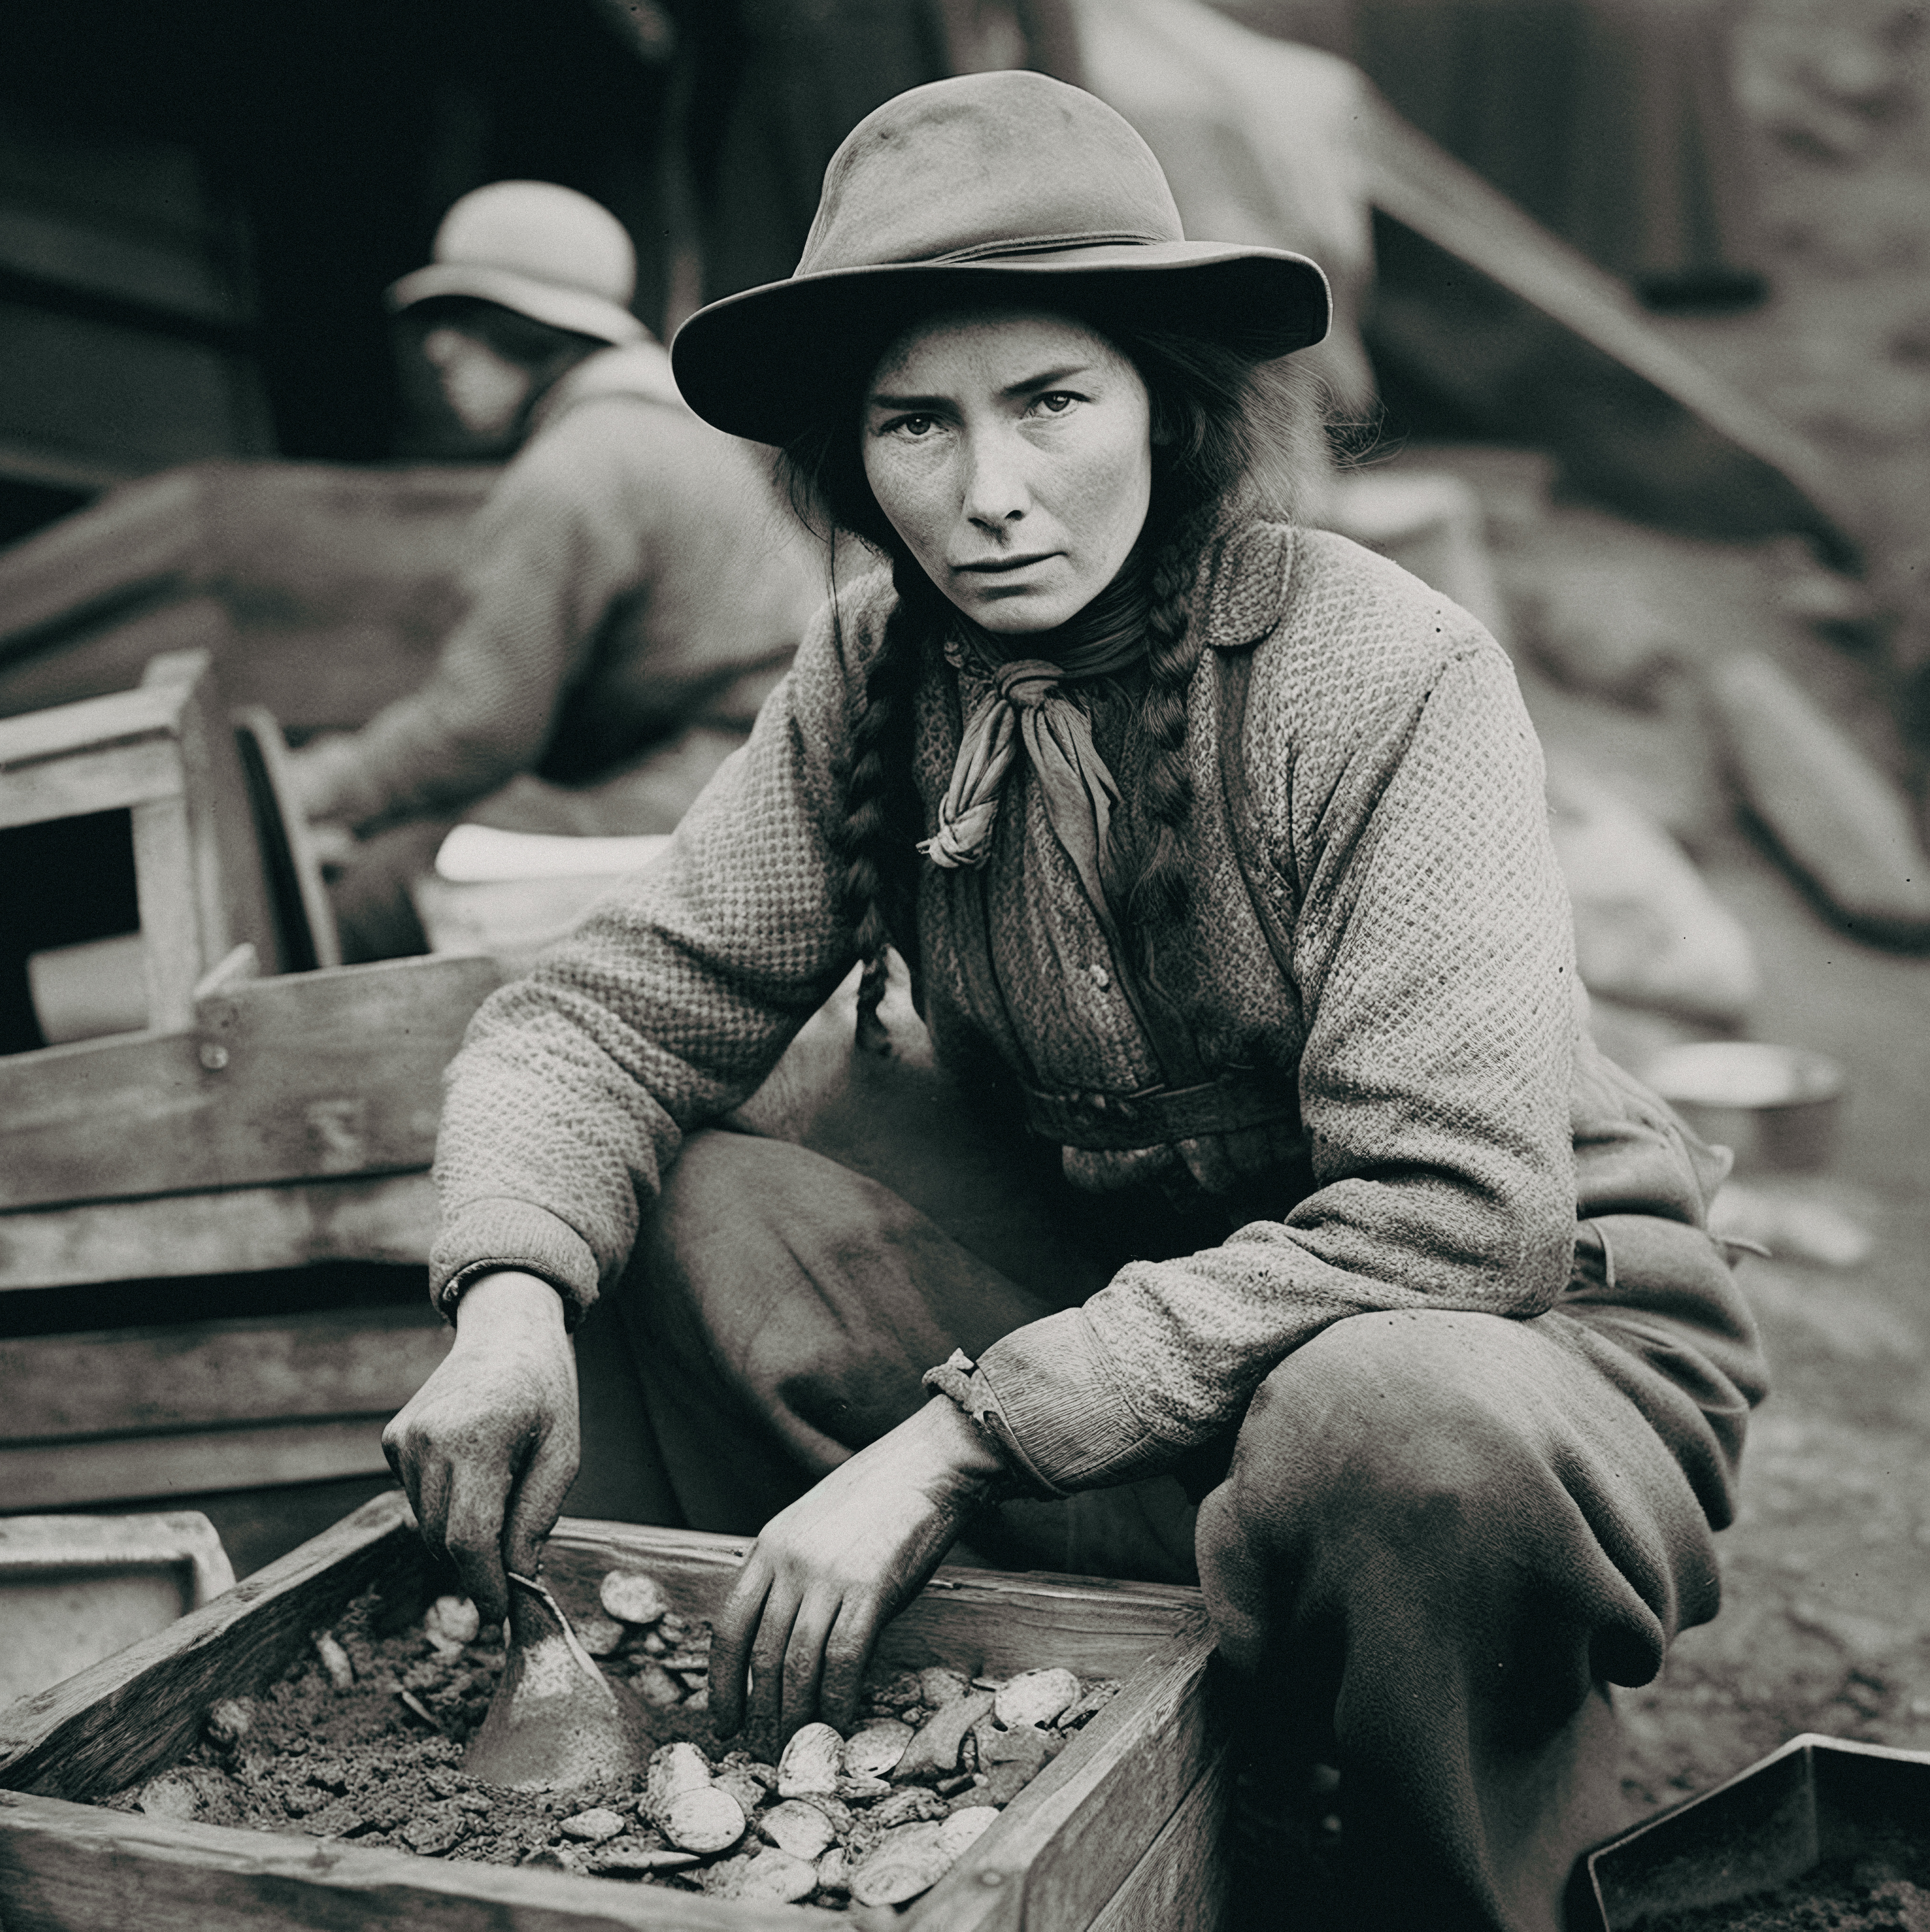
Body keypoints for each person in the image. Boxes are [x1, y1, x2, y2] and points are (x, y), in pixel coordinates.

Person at [382, 76, 1766, 1931]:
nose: (992, 492)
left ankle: (1431, 1840)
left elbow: (1456, 1222)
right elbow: (604, 1014)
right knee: (682, 1205)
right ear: (847, 457)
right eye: (914, 424)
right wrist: (505, 1301)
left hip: (1511, 1357)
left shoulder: (1380, 666)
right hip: (1140, 1363)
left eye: (1049, 399)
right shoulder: (876, 669)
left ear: (1168, 404)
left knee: (1382, 1423)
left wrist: (962, 1433)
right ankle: (902, 1763)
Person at [289, 179, 823, 960]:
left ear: (532, 333)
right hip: (779, 755)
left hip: (725, 776)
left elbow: (481, 728)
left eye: (466, 324)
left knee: (385, 885)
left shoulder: (572, 469)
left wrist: (318, 788)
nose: (440, 352)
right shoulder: (692, 429)